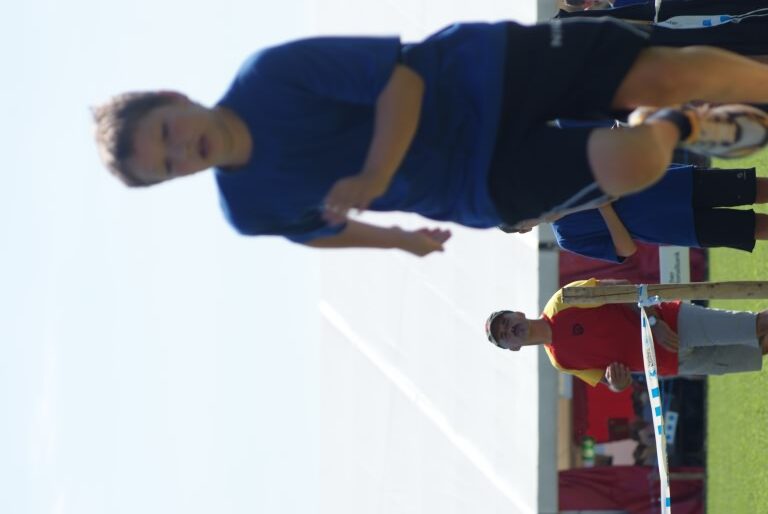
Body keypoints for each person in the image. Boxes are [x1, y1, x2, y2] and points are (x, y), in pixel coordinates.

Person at [93, 18, 768, 256]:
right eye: (167, 165)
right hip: (475, 183)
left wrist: (373, 176)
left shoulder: (270, 74)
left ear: (175, 99)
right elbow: (319, 231)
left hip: (482, 73)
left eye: (167, 133)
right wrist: (401, 241)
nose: (181, 152)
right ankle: (686, 126)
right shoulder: (248, 209)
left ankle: (709, 99)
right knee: (631, 159)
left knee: (665, 74)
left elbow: (403, 83)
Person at [485, 278, 768, 391]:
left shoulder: (563, 300)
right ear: (514, 348)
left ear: (518, 313)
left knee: (754, 326)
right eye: (504, 336)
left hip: (672, 322)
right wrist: (617, 385)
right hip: (671, 363)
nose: (509, 330)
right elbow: (609, 382)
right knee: (758, 348)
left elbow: (622, 289)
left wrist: (654, 322)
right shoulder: (560, 362)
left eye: (506, 322)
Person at [505, 164, 768, 263]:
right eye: (520, 219)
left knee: (755, 189)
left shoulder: (559, 178)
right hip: (680, 228)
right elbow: (627, 250)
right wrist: (603, 207)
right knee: (754, 228)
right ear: (525, 229)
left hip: (675, 182)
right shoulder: (567, 238)